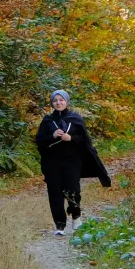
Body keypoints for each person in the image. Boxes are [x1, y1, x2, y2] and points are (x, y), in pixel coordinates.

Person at [35, 90, 110, 236]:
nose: (58, 102)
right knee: (54, 192)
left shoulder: (75, 119)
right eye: (55, 100)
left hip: (72, 161)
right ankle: (60, 224)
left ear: (67, 102)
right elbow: (39, 142)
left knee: (73, 190)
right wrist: (52, 136)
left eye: (61, 100)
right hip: (52, 163)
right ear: (52, 103)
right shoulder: (47, 121)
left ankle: (76, 216)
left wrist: (71, 139)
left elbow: (85, 142)